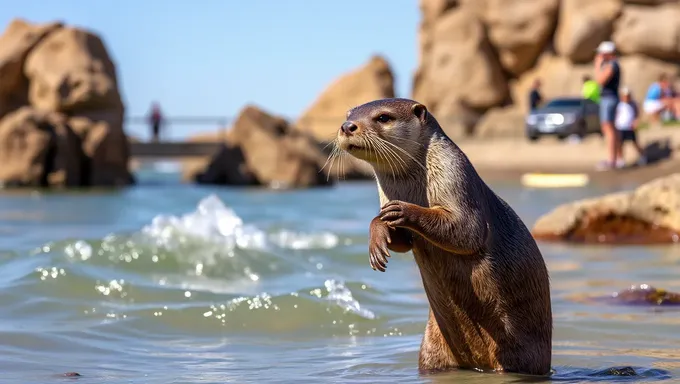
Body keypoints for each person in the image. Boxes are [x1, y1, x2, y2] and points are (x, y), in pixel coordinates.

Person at [593, 41, 621, 171]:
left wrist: (597, 66)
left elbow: (599, 81)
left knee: (608, 129)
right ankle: (616, 158)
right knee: (611, 129)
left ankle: (612, 160)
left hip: (609, 99)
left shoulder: (612, 65)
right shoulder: (614, 64)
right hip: (610, 99)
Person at [614, 87, 646, 167]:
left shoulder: (633, 104)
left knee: (635, 143)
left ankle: (642, 156)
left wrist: (636, 122)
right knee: (620, 144)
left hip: (630, 127)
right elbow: (616, 114)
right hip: (620, 127)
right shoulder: (619, 104)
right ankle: (620, 159)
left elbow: (637, 114)